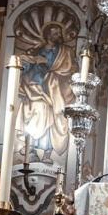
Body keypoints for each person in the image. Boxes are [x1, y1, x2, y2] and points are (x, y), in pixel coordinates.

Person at [16, 23, 77, 162]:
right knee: (36, 113)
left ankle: (47, 155)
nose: (58, 36)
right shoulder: (37, 49)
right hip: (35, 87)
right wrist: (25, 64)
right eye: (55, 33)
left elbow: (71, 69)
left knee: (53, 119)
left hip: (54, 90)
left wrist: (50, 68)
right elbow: (27, 64)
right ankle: (30, 150)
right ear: (48, 35)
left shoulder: (64, 51)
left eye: (59, 33)